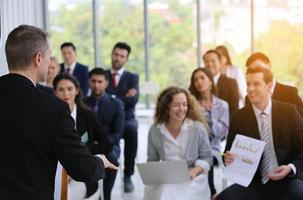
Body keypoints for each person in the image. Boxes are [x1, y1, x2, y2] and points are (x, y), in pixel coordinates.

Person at [0, 24, 117, 200]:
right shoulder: (53, 108)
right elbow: (82, 169)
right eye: (49, 55)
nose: (51, 62)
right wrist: (100, 161)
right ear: (38, 58)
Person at [217, 66, 303, 200]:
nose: (250, 89)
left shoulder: (289, 112)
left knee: (299, 194)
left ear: (269, 86)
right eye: (248, 84)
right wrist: (227, 157)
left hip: (286, 178)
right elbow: (227, 151)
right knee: (223, 198)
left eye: (256, 84)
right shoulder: (238, 117)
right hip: (254, 181)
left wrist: (291, 167)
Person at [145, 87, 213, 200]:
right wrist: (154, 174)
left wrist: (194, 172)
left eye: (185, 104)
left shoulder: (197, 128)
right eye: (176, 105)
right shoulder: (155, 130)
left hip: (192, 177)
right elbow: (152, 160)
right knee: (165, 190)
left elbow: (207, 158)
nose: (182, 109)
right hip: (166, 178)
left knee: (168, 193)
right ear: (166, 108)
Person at [53, 73, 113, 198]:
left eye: (70, 89)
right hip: (56, 172)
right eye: (61, 89)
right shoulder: (49, 116)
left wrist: (80, 151)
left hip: (83, 173)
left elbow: (106, 144)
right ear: (55, 92)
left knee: (66, 196)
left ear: (77, 90)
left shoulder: (87, 115)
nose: (66, 94)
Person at [84, 68, 125, 200]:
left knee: (111, 157)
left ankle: (106, 196)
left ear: (107, 83)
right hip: (88, 145)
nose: (96, 85)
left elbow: (118, 133)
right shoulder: (82, 103)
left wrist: (101, 144)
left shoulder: (116, 104)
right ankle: (92, 193)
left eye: (100, 81)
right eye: (93, 81)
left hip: (109, 145)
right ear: (89, 82)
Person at [189, 67, 229, 200]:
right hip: (193, 147)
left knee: (208, 156)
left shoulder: (223, 105)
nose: (199, 82)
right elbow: (190, 129)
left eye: (202, 78)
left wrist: (209, 119)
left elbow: (223, 131)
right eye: (196, 80)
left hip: (214, 148)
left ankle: (212, 193)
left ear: (210, 81)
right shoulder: (191, 105)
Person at [106, 42, 139, 193]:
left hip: (127, 119)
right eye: (116, 54)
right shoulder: (103, 75)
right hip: (108, 118)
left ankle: (128, 176)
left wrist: (112, 97)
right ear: (112, 54)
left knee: (132, 130)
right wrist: (123, 97)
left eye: (122, 56)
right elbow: (102, 99)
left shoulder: (133, 77)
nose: (118, 58)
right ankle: (106, 169)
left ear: (126, 59)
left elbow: (133, 100)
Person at [245, 52, 303, 117]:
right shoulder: (249, 98)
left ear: (269, 66)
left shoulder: (290, 93)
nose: (256, 73)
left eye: (258, 68)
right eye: (251, 70)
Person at [203, 49, 239, 115]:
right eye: (207, 61)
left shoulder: (231, 83)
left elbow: (234, 110)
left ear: (220, 63)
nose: (210, 64)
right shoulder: (199, 83)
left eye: (213, 61)